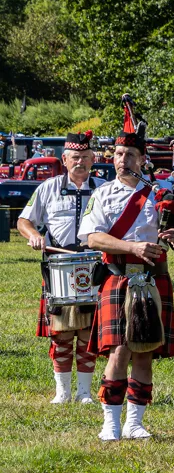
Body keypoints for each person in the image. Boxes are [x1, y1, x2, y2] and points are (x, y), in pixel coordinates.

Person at [79, 115, 174, 441]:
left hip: (153, 279)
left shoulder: (162, 190)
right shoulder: (103, 194)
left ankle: (135, 423)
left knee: (144, 351)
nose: (123, 160)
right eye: (119, 154)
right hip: (118, 277)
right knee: (119, 350)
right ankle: (110, 423)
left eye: (130, 155)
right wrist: (131, 247)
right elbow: (92, 237)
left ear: (142, 159)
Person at [17, 131, 105, 404]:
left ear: (93, 159)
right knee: (61, 332)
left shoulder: (104, 188)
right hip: (58, 267)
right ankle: (62, 392)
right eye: (75, 157)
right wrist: (34, 235)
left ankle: (84, 393)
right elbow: (24, 220)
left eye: (85, 157)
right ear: (64, 159)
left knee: (88, 332)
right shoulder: (48, 187)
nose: (80, 162)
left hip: (94, 266)